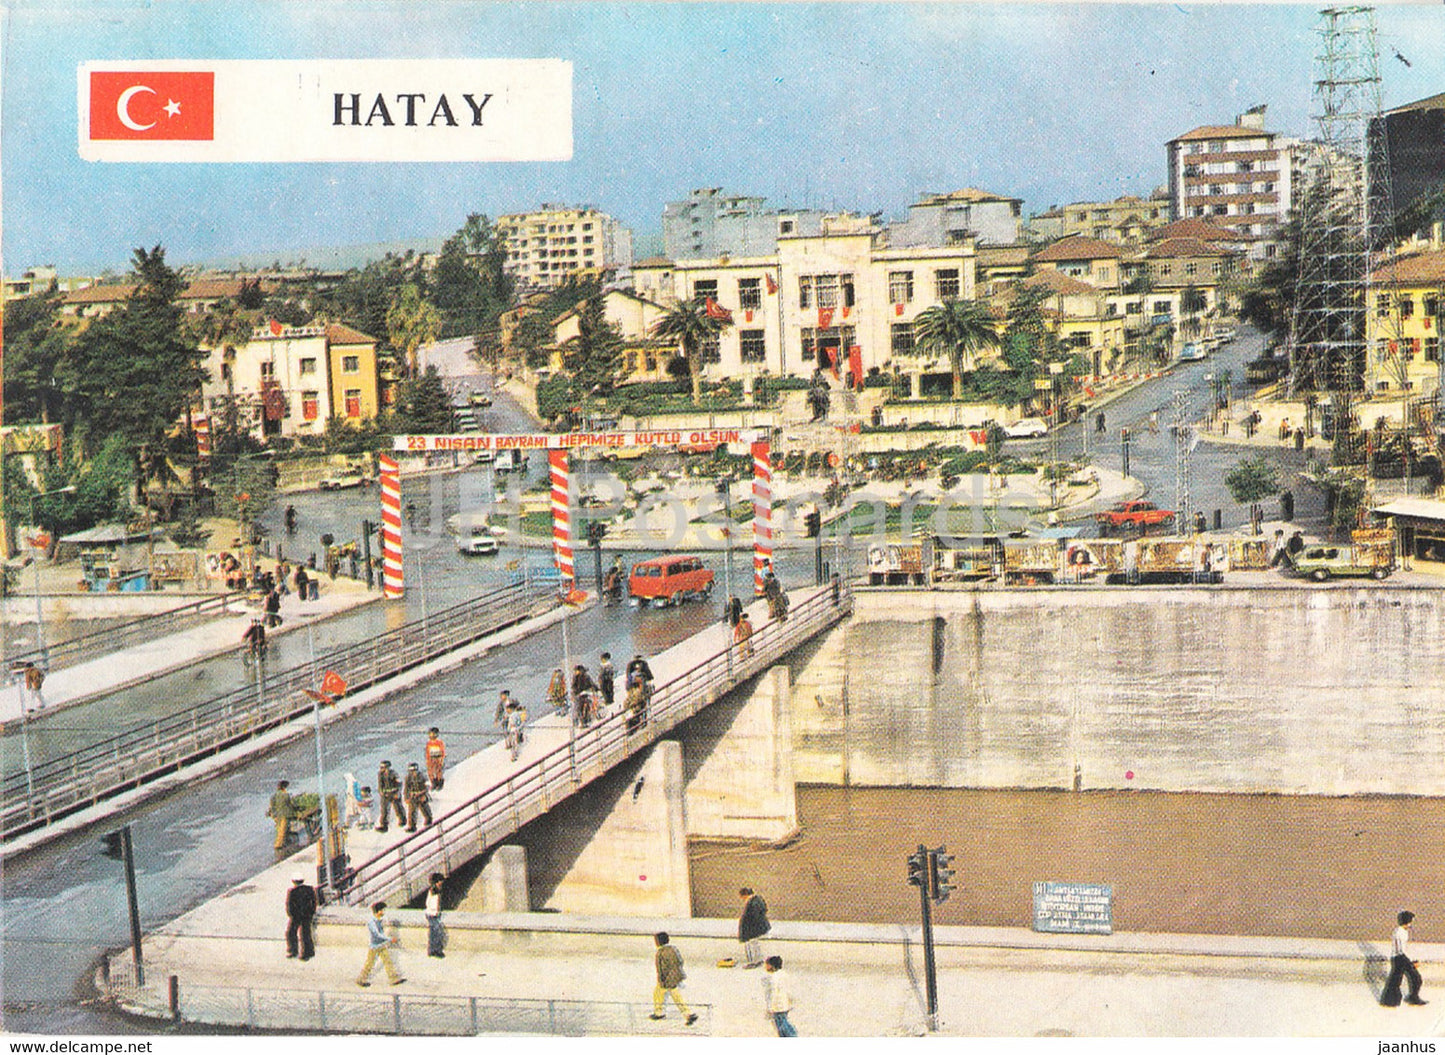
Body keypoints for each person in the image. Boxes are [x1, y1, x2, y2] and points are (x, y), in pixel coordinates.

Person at [650, 932, 698, 1025]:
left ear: (659, 942)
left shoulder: (660, 952)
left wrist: (662, 979)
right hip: (674, 977)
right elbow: (680, 961)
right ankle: (659, 1012)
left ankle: (688, 1014)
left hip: (667, 979)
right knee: (660, 993)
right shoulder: (673, 949)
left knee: (674, 996)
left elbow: (661, 968)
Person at [1382, 910, 1427, 1006]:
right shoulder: (1400, 933)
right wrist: (1410, 963)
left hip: (1399, 958)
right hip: (1400, 958)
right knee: (1415, 978)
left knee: (1396, 980)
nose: (1411, 924)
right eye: (1411, 921)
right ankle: (1412, 998)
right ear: (1407, 921)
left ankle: (1390, 1000)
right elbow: (1401, 950)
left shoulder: (1399, 931)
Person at [356, 902, 404, 986]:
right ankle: (361, 978)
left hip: (381, 945)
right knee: (370, 963)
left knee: (387, 961)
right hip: (375, 946)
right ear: (378, 911)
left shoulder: (379, 921)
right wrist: (389, 939)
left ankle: (393, 978)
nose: (383, 912)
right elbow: (377, 934)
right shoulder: (372, 922)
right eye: (382, 910)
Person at [763, 955, 797, 1036]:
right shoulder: (784, 974)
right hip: (785, 1003)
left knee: (782, 1026)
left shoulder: (774, 977)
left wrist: (770, 1007)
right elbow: (789, 990)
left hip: (778, 1006)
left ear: (771, 965)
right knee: (784, 1022)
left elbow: (774, 992)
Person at [285, 874, 317, 960]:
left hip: (296, 916)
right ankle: (308, 952)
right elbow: (314, 902)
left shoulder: (292, 891)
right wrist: (311, 912)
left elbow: (289, 905)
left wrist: (291, 915)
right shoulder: (309, 889)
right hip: (307, 915)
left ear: (294, 881)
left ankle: (293, 950)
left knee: (291, 933)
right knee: (306, 934)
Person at [738, 887, 771, 969]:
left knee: (749, 945)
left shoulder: (752, 903)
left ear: (745, 895)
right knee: (755, 944)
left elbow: (752, 917)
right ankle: (758, 960)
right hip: (757, 928)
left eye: (742, 896)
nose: (742, 899)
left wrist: (746, 928)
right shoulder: (758, 900)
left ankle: (752, 962)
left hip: (751, 929)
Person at [375, 760, 405, 832]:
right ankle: (384, 825)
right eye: (381, 767)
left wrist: (397, 793)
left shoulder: (394, 774)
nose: (382, 769)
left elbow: (399, 784)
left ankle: (402, 821)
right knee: (384, 810)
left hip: (394, 792)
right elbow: (380, 784)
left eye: (383, 767)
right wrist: (381, 792)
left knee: (398, 808)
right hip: (386, 794)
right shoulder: (380, 774)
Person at [267, 780, 296, 851]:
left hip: (276, 815)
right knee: (282, 830)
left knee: (279, 828)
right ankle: (279, 845)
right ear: (284, 787)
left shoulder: (274, 795)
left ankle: (280, 843)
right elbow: (290, 804)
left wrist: (272, 813)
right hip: (284, 814)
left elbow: (271, 806)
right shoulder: (285, 795)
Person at [403, 762, 432, 831]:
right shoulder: (408, 778)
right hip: (413, 796)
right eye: (411, 771)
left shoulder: (422, 776)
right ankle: (412, 826)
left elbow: (428, 785)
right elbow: (406, 789)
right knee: (412, 811)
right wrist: (406, 798)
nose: (413, 773)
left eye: (414, 771)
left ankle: (428, 821)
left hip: (421, 794)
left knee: (424, 808)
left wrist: (424, 794)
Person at [425, 873, 446, 959]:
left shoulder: (436, 891)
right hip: (432, 914)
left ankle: (432, 950)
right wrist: (435, 910)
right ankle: (436, 950)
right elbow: (429, 903)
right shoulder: (433, 891)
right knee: (436, 933)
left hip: (433, 914)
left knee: (433, 933)